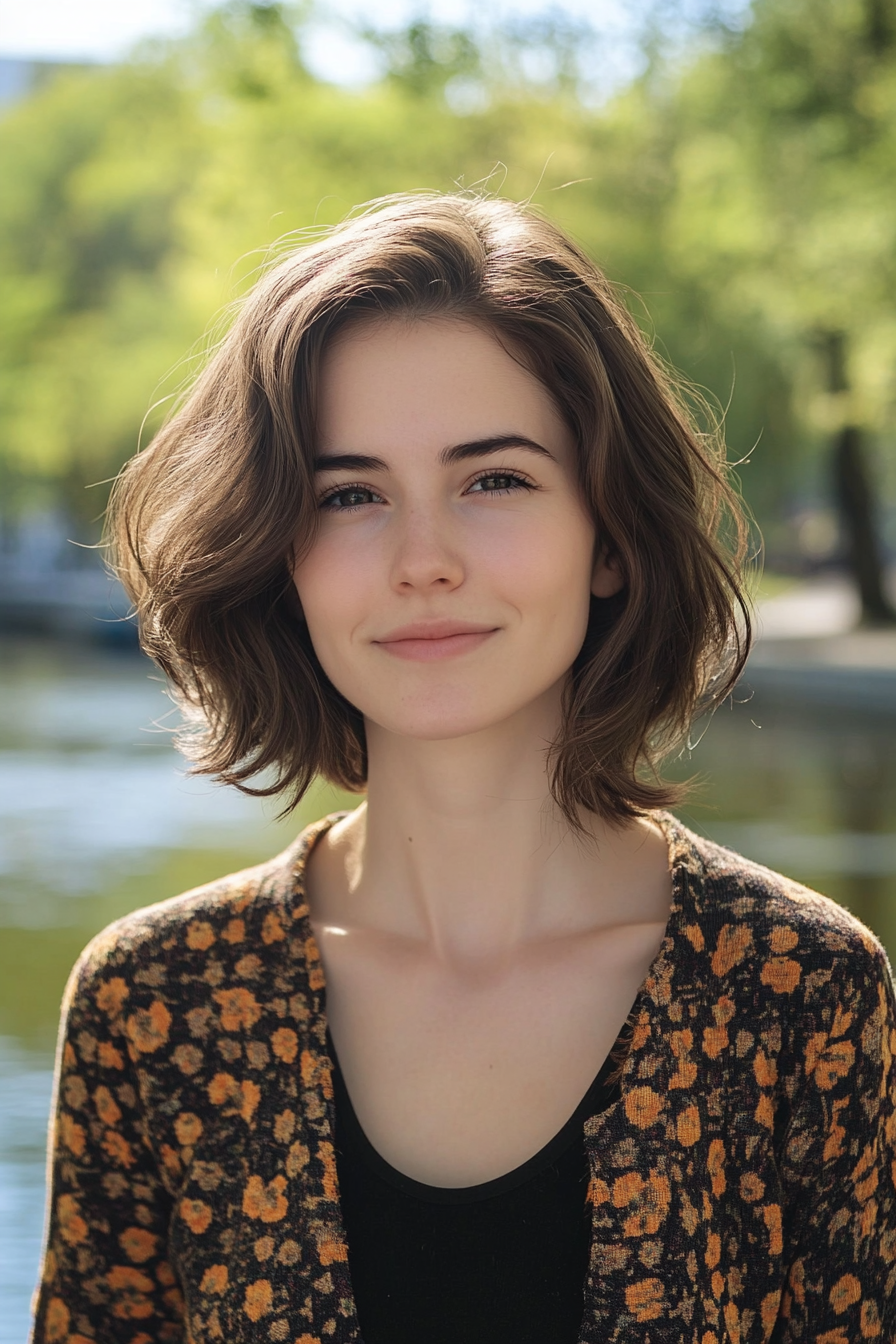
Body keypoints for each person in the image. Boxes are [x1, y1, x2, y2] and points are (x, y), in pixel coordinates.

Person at [31, 194, 895, 1344]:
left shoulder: (800, 992)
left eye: (492, 480)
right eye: (349, 496)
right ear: (277, 553)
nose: (421, 561)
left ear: (611, 535)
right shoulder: (154, 1007)